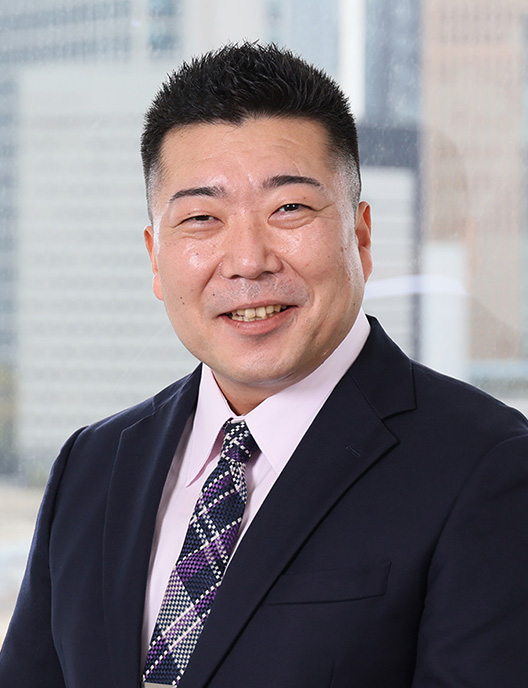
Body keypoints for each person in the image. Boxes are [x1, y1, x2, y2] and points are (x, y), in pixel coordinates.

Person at [1, 43, 527, 688]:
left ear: (361, 235)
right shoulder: (93, 466)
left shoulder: (488, 466)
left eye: (289, 209)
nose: (248, 260)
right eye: (202, 218)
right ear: (155, 258)